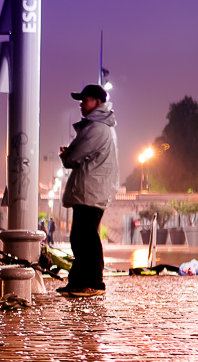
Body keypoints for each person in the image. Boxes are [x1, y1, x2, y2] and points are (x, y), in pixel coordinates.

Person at [57, 84, 119, 297]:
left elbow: (74, 157)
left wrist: (67, 155)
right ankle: (78, 281)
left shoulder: (97, 128)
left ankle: (93, 283)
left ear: (98, 103)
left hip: (91, 190)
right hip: (91, 189)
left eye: (86, 100)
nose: (81, 104)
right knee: (81, 237)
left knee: (86, 238)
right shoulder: (99, 127)